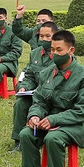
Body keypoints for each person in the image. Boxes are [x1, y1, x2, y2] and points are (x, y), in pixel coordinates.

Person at [18, 30, 84, 167]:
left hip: (76, 124)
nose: (54, 53)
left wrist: (54, 119)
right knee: (26, 134)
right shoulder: (46, 73)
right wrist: (35, 116)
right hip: (49, 122)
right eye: (52, 49)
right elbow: (39, 101)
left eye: (59, 50)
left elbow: (82, 111)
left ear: (71, 50)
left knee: (53, 138)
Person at [9, 22, 57, 150]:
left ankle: (43, 137)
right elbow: (30, 75)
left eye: (48, 36)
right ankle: (18, 140)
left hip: (53, 95)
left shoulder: (61, 55)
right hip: (35, 93)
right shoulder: (35, 53)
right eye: (41, 36)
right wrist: (24, 86)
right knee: (20, 103)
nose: (44, 39)